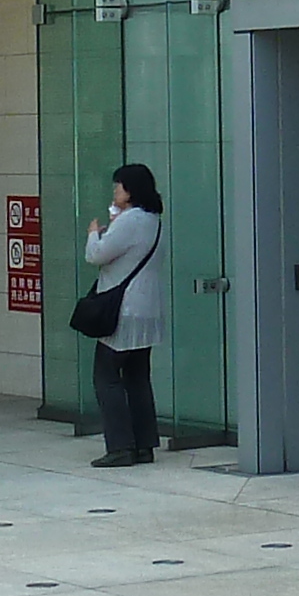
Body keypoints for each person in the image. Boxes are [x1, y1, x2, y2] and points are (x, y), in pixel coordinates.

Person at [82, 163, 166, 468]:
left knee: (106, 378)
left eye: (118, 187)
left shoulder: (129, 221)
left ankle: (120, 446)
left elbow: (96, 255)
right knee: (138, 378)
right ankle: (144, 444)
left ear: (129, 191)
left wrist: (94, 233)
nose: (114, 191)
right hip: (147, 310)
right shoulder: (153, 220)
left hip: (123, 311)